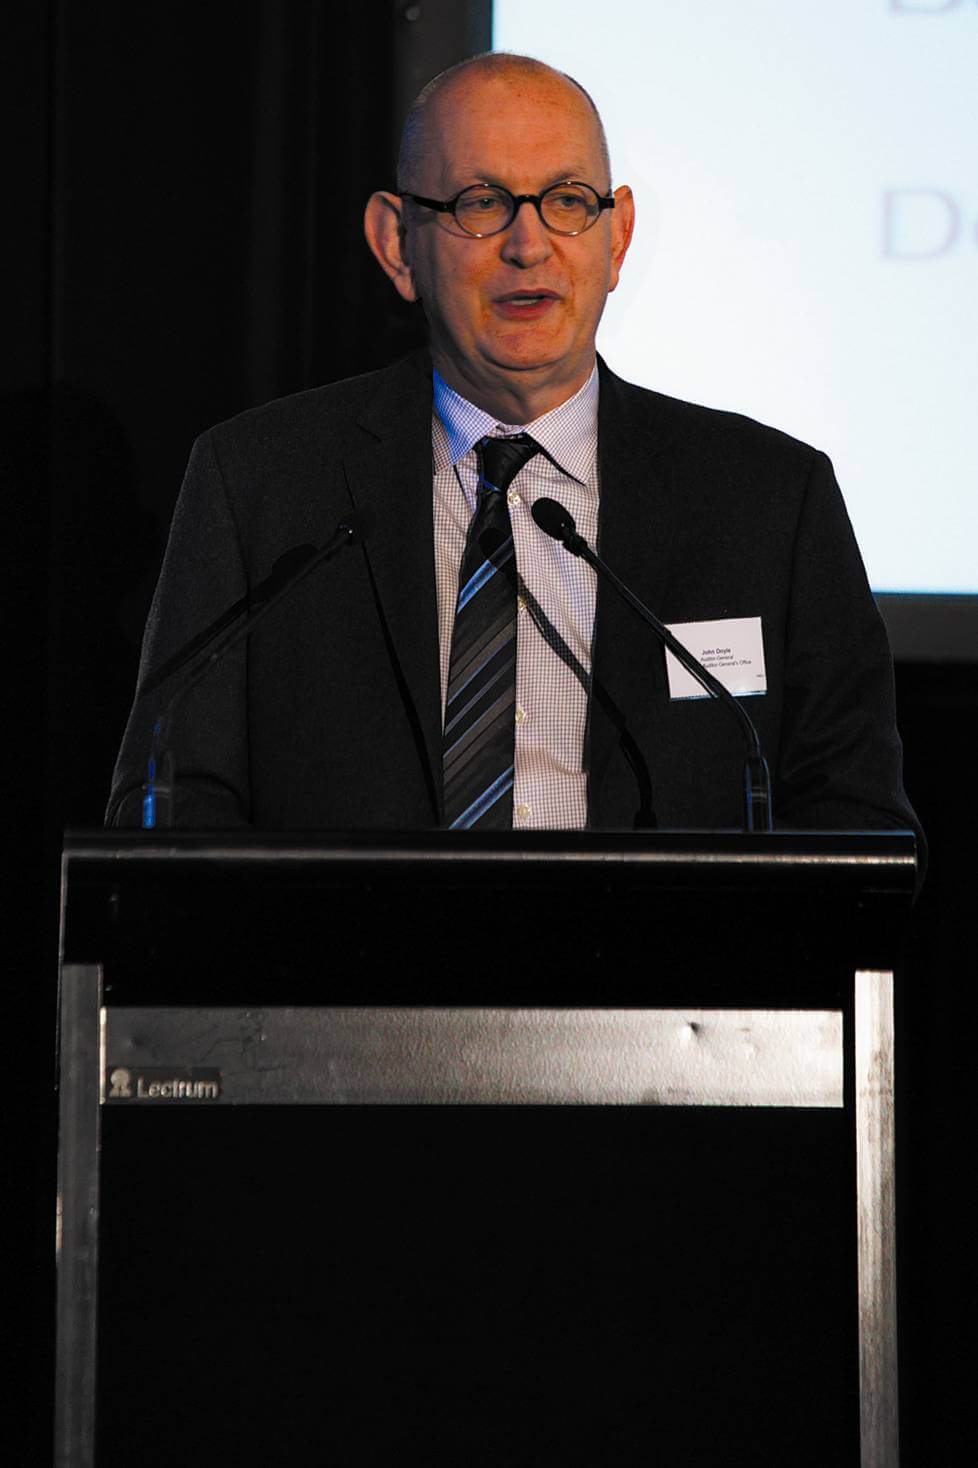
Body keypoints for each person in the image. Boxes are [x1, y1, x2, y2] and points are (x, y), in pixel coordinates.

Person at [106, 53, 920, 844]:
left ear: (617, 238)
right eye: (482, 202)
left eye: (567, 200)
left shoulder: (770, 500)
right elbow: (172, 804)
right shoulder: (262, 484)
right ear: (397, 244)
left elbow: (858, 823)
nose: (529, 245)